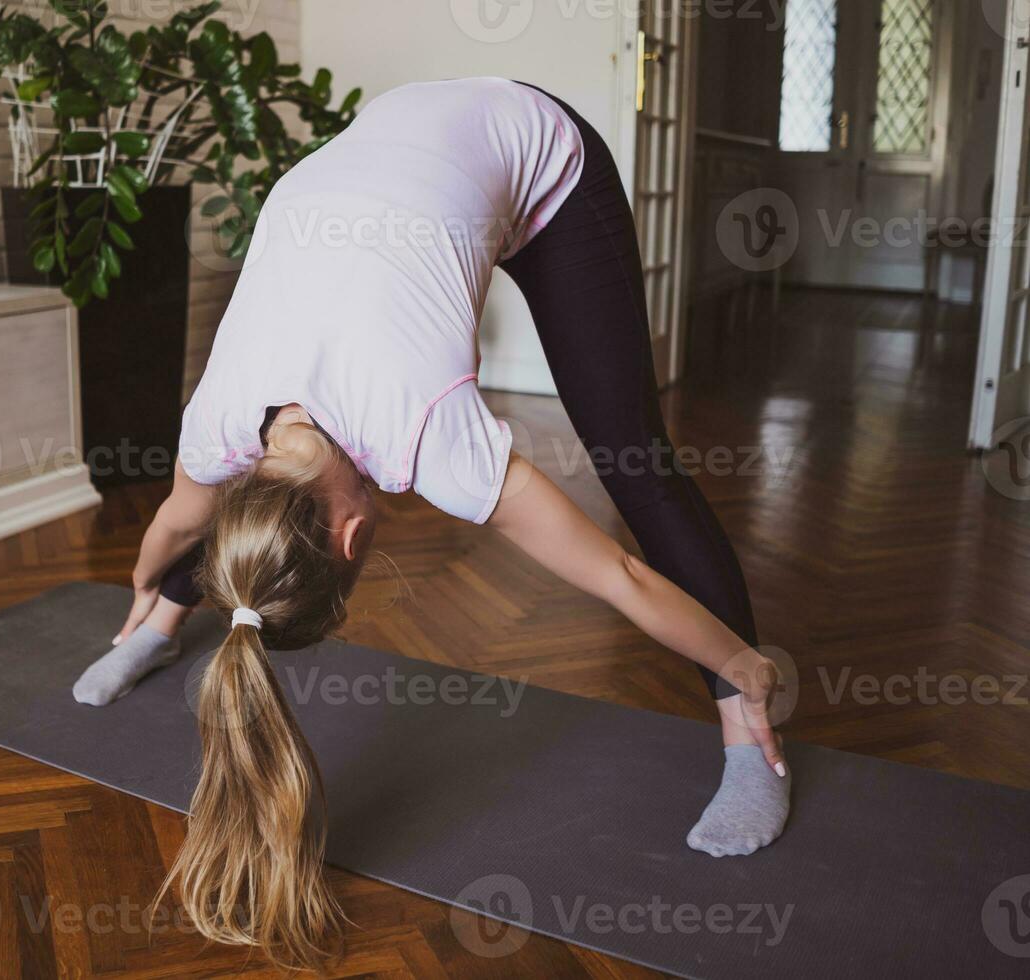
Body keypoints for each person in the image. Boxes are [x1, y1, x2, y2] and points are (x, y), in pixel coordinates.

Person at [71, 77, 790, 971]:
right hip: (395, 142)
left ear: (354, 540)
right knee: (230, 499)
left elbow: (621, 574)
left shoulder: (428, 431)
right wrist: (149, 596)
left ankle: (746, 735)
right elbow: (180, 521)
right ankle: (161, 628)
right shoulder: (220, 421)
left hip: (537, 154)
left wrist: (742, 666)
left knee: (634, 462)